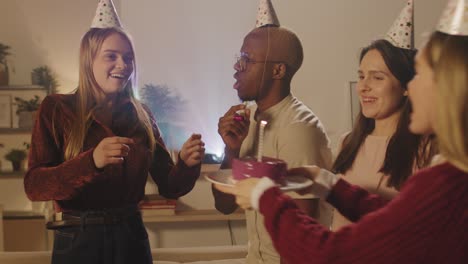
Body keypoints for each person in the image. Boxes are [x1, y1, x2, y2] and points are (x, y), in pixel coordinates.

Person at [214, 1, 468, 263]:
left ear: (449, 88)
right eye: (361, 76)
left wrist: (264, 196)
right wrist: (329, 183)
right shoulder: (451, 177)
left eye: (418, 77)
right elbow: (391, 219)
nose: (410, 89)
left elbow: (329, 254)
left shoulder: (445, 182)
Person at [23, 1, 204, 263]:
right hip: (77, 240)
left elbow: (170, 186)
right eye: (111, 56)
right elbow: (35, 186)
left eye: (128, 57)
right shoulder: (56, 109)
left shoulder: (142, 116)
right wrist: (91, 162)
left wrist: (186, 165)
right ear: (89, 59)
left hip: (130, 238)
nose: (123, 65)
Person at [212, 1, 332, 263]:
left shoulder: (299, 128)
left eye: (247, 60)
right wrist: (231, 149)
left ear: (278, 70)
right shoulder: (250, 121)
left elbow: (304, 231)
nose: (237, 67)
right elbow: (224, 206)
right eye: (239, 58)